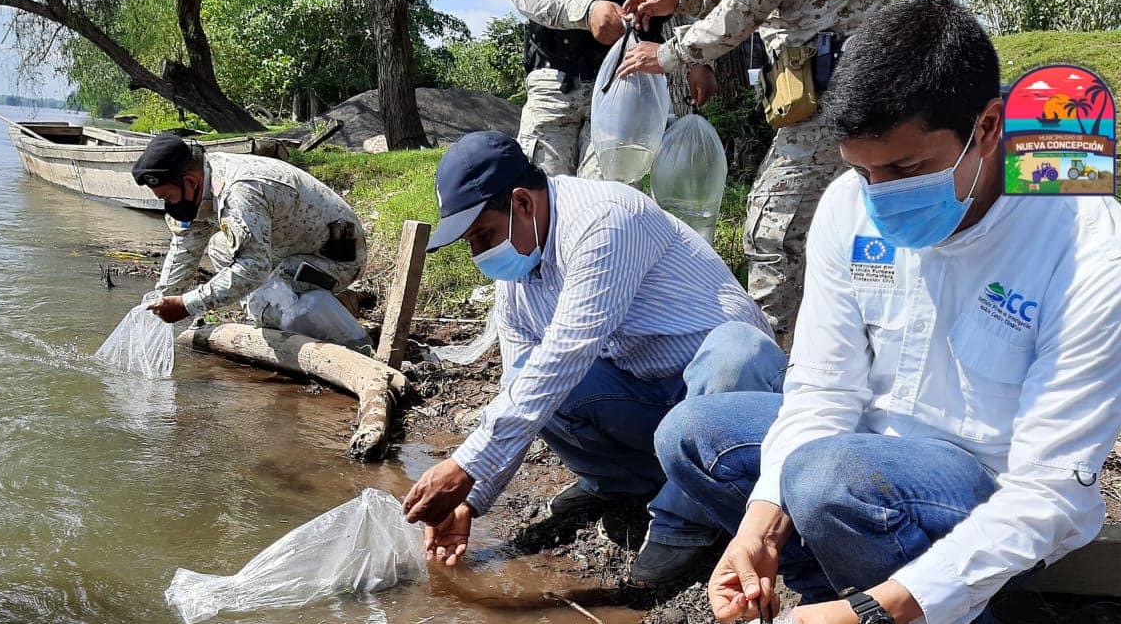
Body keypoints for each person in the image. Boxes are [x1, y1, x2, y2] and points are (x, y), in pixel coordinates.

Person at [653, 0, 1121, 624]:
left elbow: (1049, 498)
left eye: (905, 167)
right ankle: (839, 586)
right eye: (863, 171)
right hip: (855, 474)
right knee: (694, 437)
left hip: (984, 503)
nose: (881, 197)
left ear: (989, 127)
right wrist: (756, 528)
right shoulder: (850, 207)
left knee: (829, 477)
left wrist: (873, 615)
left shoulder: (1097, 256)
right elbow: (824, 388)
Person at [402, 130, 785, 583]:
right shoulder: (519, 280)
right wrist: (470, 498)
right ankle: (626, 485)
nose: (479, 254)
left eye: (483, 235)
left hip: (726, 395)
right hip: (649, 395)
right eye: (471, 242)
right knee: (529, 379)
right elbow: (519, 388)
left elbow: (567, 351)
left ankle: (686, 520)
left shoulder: (605, 219)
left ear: (523, 203)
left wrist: (466, 466)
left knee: (736, 354)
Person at [617, 0, 890, 336]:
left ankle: (764, 361)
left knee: (774, 234)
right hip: (844, 94)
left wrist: (671, 54)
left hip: (837, 98)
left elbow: (748, 2)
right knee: (849, 231)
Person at [132, 133, 367, 323]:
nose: (167, 205)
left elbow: (254, 267)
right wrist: (162, 299)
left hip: (335, 260)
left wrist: (187, 305)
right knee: (220, 246)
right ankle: (283, 309)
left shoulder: (238, 192)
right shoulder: (205, 179)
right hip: (289, 249)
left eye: (167, 197)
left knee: (264, 303)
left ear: (190, 182)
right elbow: (185, 247)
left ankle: (329, 310)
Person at [509, 0, 715, 177]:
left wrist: (699, 60)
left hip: (631, 84)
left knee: (610, 200)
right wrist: (587, 11)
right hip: (553, 81)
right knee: (539, 195)